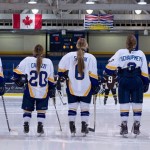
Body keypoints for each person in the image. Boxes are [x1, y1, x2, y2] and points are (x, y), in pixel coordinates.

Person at [105, 34, 149, 136]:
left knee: (124, 103)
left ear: (126, 43)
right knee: (137, 103)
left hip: (124, 80)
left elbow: (108, 68)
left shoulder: (120, 52)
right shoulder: (141, 53)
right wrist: (146, 82)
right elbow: (145, 71)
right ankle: (137, 126)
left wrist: (116, 73)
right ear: (135, 43)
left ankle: (124, 126)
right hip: (137, 81)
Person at [58, 38, 100, 136]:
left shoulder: (68, 56)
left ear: (77, 45)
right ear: (86, 46)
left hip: (72, 87)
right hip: (86, 87)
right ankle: (84, 126)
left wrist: (64, 75)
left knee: (72, 108)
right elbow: (93, 76)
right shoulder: (91, 57)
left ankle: (72, 126)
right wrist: (95, 86)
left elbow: (60, 71)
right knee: (85, 108)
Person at [13, 44, 55, 135]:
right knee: (41, 110)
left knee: (27, 110)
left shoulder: (27, 60)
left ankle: (26, 124)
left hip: (29, 90)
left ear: (34, 52)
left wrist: (18, 79)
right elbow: (51, 80)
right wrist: (52, 89)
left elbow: (16, 72)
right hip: (43, 91)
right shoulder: (48, 62)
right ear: (43, 52)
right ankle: (40, 126)